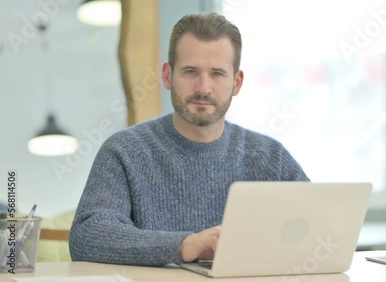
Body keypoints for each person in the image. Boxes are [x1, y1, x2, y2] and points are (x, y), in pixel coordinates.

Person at [69, 12, 309, 266]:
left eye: (217, 73)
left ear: (236, 83)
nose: (203, 87)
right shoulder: (125, 151)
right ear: (167, 76)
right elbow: (87, 236)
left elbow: (319, 228)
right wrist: (183, 245)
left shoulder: (271, 157)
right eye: (191, 71)